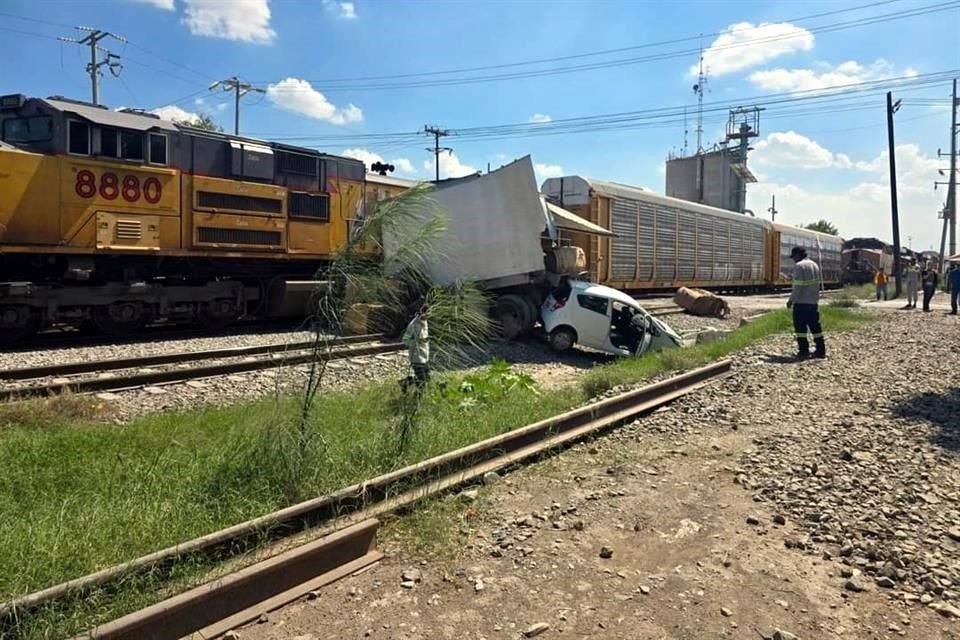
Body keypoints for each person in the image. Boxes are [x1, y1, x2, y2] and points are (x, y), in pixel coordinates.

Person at [786, 246, 825, 360]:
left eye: (794, 257)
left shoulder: (799, 266)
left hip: (801, 302)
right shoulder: (814, 265)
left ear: (798, 255)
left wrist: (791, 300)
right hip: (813, 302)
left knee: (800, 328)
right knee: (815, 327)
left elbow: (798, 286)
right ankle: (821, 350)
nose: (793, 259)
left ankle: (803, 351)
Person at [401, 297, 430, 389]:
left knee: (427, 378)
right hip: (416, 357)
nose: (428, 316)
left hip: (425, 356)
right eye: (427, 313)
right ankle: (417, 400)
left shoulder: (425, 322)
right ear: (422, 312)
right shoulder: (413, 325)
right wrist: (417, 341)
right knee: (422, 383)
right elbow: (405, 340)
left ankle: (406, 382)